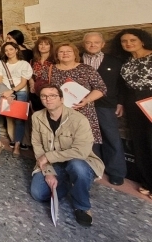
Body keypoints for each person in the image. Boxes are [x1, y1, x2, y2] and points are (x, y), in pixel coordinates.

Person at [30, 85, 105, 227]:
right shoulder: (37, 117)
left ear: (62, 99)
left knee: (77, 167)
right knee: (38, 194)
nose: (48, 99)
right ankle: (70, 184)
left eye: (53, 95)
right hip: (53, 164)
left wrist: (49, 157)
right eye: (44, 96)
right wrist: (48, 172)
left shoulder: (79, 119)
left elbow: (81, 152)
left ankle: (82, 207)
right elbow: (38, 147)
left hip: (79, 161)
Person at [82, 32, 126, 186]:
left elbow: (121, 84)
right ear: (84, 44)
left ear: (103, 44)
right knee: (89, 138)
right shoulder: (77, 59)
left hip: (106, 105)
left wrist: (120, 103)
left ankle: (116, 172)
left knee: (111, 137)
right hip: (82, 105)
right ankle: (94, 168)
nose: (92, 45)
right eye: (88, 42)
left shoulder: (115, 62)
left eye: (96, 42)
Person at [115, 28, 152, 197]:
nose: (128, 44)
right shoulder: (126, 63)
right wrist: (122, 103)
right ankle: (148, 181)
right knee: (140, 142)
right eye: (124, 41)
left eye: (132, 40)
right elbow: (123, 87)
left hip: (150, 100)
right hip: (134, 104)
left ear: (142, 40)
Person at [49, 42, 106, 147]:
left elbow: (101, 88)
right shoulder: (49, 70)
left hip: (83, 112)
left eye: (68, 51)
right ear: (56, 55)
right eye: (61, 51)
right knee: (61, 144)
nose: (65, 54)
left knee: (85, 146)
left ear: (75, 54)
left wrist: (87, 100)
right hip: (59, 113)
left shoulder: (86, 69)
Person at [0, 42, 33, 157]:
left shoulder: (24, 64)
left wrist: (12, 92)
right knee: (9, 118)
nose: (9, 52)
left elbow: (23, 82)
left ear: (16, 50)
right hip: (6, 92)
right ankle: (14, 139)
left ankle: (17, 146)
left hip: (20, 92)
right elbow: (0, 81)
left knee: (19, 119)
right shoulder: (1, 64)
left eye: (11, 49)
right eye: (6, 50)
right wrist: (7, 93)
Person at [29, 36, 56, 111]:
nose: (43, 46)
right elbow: (30, 75)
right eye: (41, 44)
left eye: (46, 44)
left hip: (50, 91)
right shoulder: (33, 61)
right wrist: (32, 84)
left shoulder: (55, 60)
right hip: (36, 91)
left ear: (51, 46)